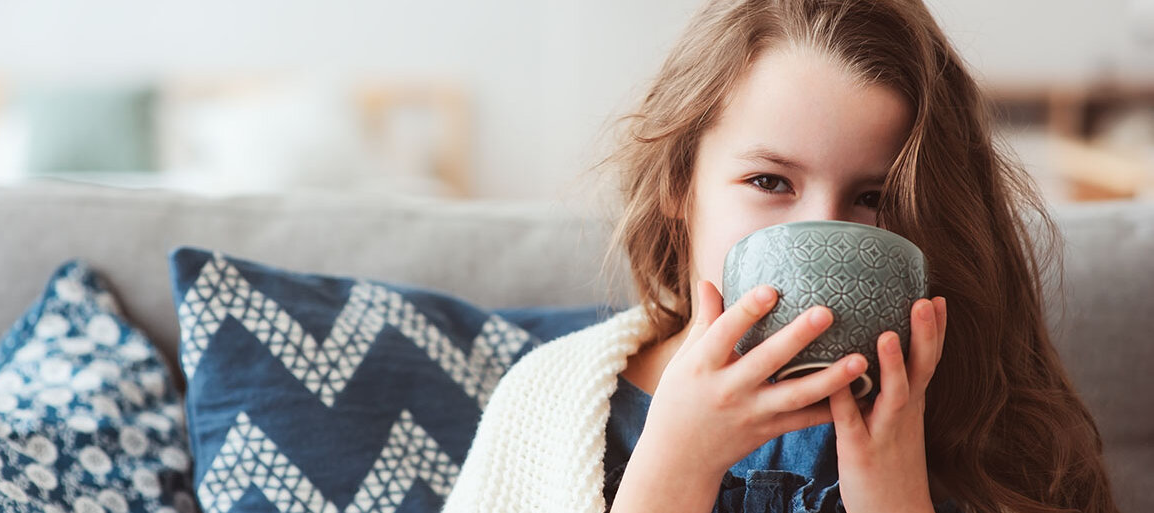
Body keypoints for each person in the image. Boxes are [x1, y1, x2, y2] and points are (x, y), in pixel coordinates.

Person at [441, 0, 1119, 512]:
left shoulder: (983, 419)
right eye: (770, 182)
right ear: (680, 182)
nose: (821, 227)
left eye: (873, 195)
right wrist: (675, 467)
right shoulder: (549, 403)